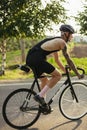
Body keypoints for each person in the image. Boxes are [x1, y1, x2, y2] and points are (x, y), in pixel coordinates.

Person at [26, 24, 83, 108]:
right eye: (71, 34)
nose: (72, 36)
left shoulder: (56, 41)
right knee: (58, 76)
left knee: (45, 80)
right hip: (37, 59)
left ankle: (42, 105)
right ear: (66, 34)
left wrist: (65, 71)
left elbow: (57, 60)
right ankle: (40, 96)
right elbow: (69, 60)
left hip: (31, 58)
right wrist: (77, 74)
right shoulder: (62, 43)